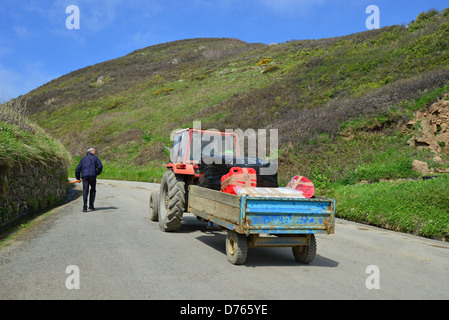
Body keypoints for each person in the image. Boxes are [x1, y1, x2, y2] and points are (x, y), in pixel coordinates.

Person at [75, 147, 103, 212]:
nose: (95, 152)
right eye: (94, 151)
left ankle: (85, 207)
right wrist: (96, 173)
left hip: (85, 176)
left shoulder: (83, 159)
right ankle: (91, 205)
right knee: (93, 190)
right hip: (92, 176)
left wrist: (78, 178)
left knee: (85, 191)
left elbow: (77, 169)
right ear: (91, 151)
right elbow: (100, 166)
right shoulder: (95, 158)